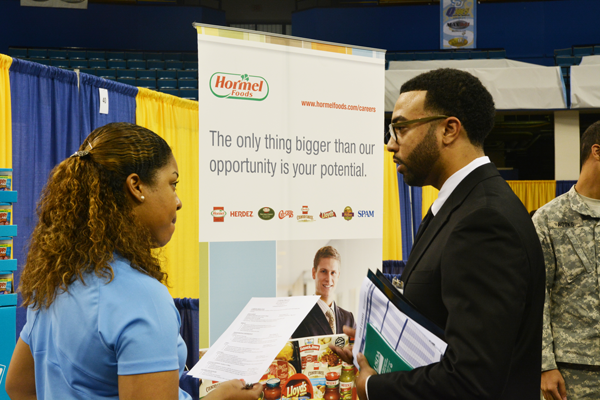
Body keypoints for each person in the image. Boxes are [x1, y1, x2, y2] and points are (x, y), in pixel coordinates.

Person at [5, 122, 263, 400]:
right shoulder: (142, 299)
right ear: (136, 186)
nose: (178, 201)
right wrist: (220, 398)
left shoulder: (56, 281)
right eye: (172, 184)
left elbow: (18, 388)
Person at [331, 68, 546, 400]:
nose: (390, 144)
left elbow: (471, 380)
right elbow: (440, 324)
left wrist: (373, 386)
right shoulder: (457, 207)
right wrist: (373, 346)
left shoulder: (485, 221)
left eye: (400, 128)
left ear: (449, 129)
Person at [534, 121, 600, 400]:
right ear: (597, 151)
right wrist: (545, 365)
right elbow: (538, 297)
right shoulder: (549, 219)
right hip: (572, 372)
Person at [291, 246, 354, 339]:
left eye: (333, 273)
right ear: (314, 273)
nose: (328, 279)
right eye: (324, 271)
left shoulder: (349, 318)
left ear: (338, 276)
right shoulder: (301, 318)